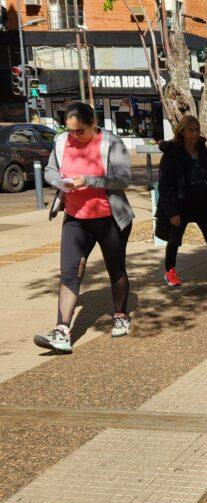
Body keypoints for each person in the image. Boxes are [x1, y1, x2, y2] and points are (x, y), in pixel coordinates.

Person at [34, 102, 134, 354]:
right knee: (70, 272)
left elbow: (123, 178)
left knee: (116, 268)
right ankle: (61, 331)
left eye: (80, 131)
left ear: (93, 124)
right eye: (70, 131)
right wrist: (61, 182)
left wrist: (88, 180)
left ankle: (120, 314)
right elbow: (49, 171)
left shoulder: (111, 142)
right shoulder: (61, 142)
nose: (74, 136)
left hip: (110, 218)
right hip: (75, 218)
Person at [156, 115, 207, 292]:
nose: (194, 134)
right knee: (174, 239)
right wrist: (172, 212)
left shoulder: (201, 147)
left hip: (202, 201)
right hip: (181, 204)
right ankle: (170, 270)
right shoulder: (172, 153)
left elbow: (204, 171)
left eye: (197, 129)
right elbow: (165, 184)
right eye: (190, 130)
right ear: (182, 132)